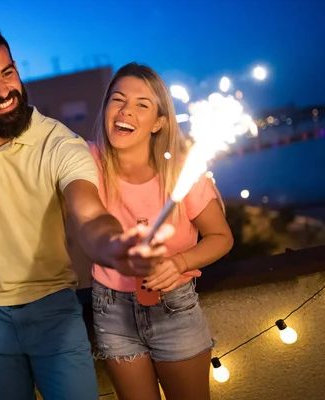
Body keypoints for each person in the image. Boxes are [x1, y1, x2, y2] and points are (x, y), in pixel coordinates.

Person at [0, 25, 175, 400]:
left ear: (17, 69)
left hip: (53, 309)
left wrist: (116, 247)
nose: (3, 91)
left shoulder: (62, 144)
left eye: (8, 73)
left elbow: (89, 214)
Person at [89, 63, 234, 400]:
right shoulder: (86, 160)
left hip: (175, 308)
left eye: (142, 104)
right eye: (118, 99)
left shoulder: (183, 173)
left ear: (159, 122)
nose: (126, 110)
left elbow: (222, 237)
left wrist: (180, 262)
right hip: (111, 309)